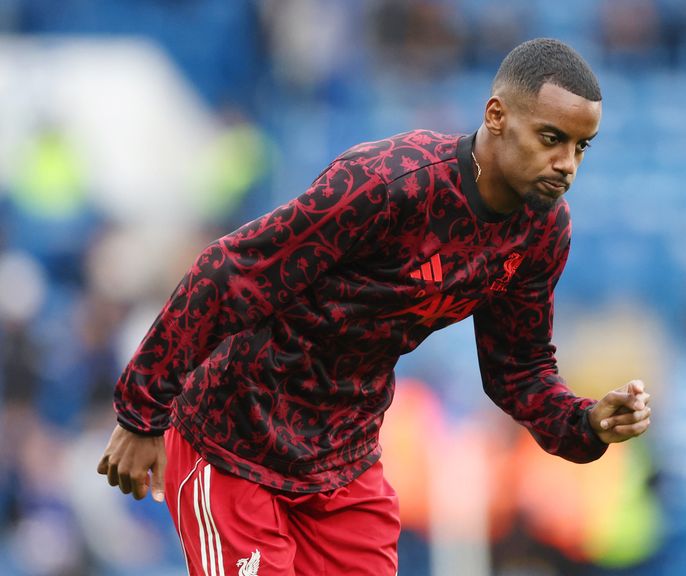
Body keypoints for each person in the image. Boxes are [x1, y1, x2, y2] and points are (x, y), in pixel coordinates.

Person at [97, 38, 652, 575]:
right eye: (551, 138)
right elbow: (230, 271)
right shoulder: (389, 182)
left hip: (343, 461)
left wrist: (583, 422)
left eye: (581, 147)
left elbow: (518, 369)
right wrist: (141, 413)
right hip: (233, 440)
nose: (566, 163)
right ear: (497, 115)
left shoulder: (542, 230)